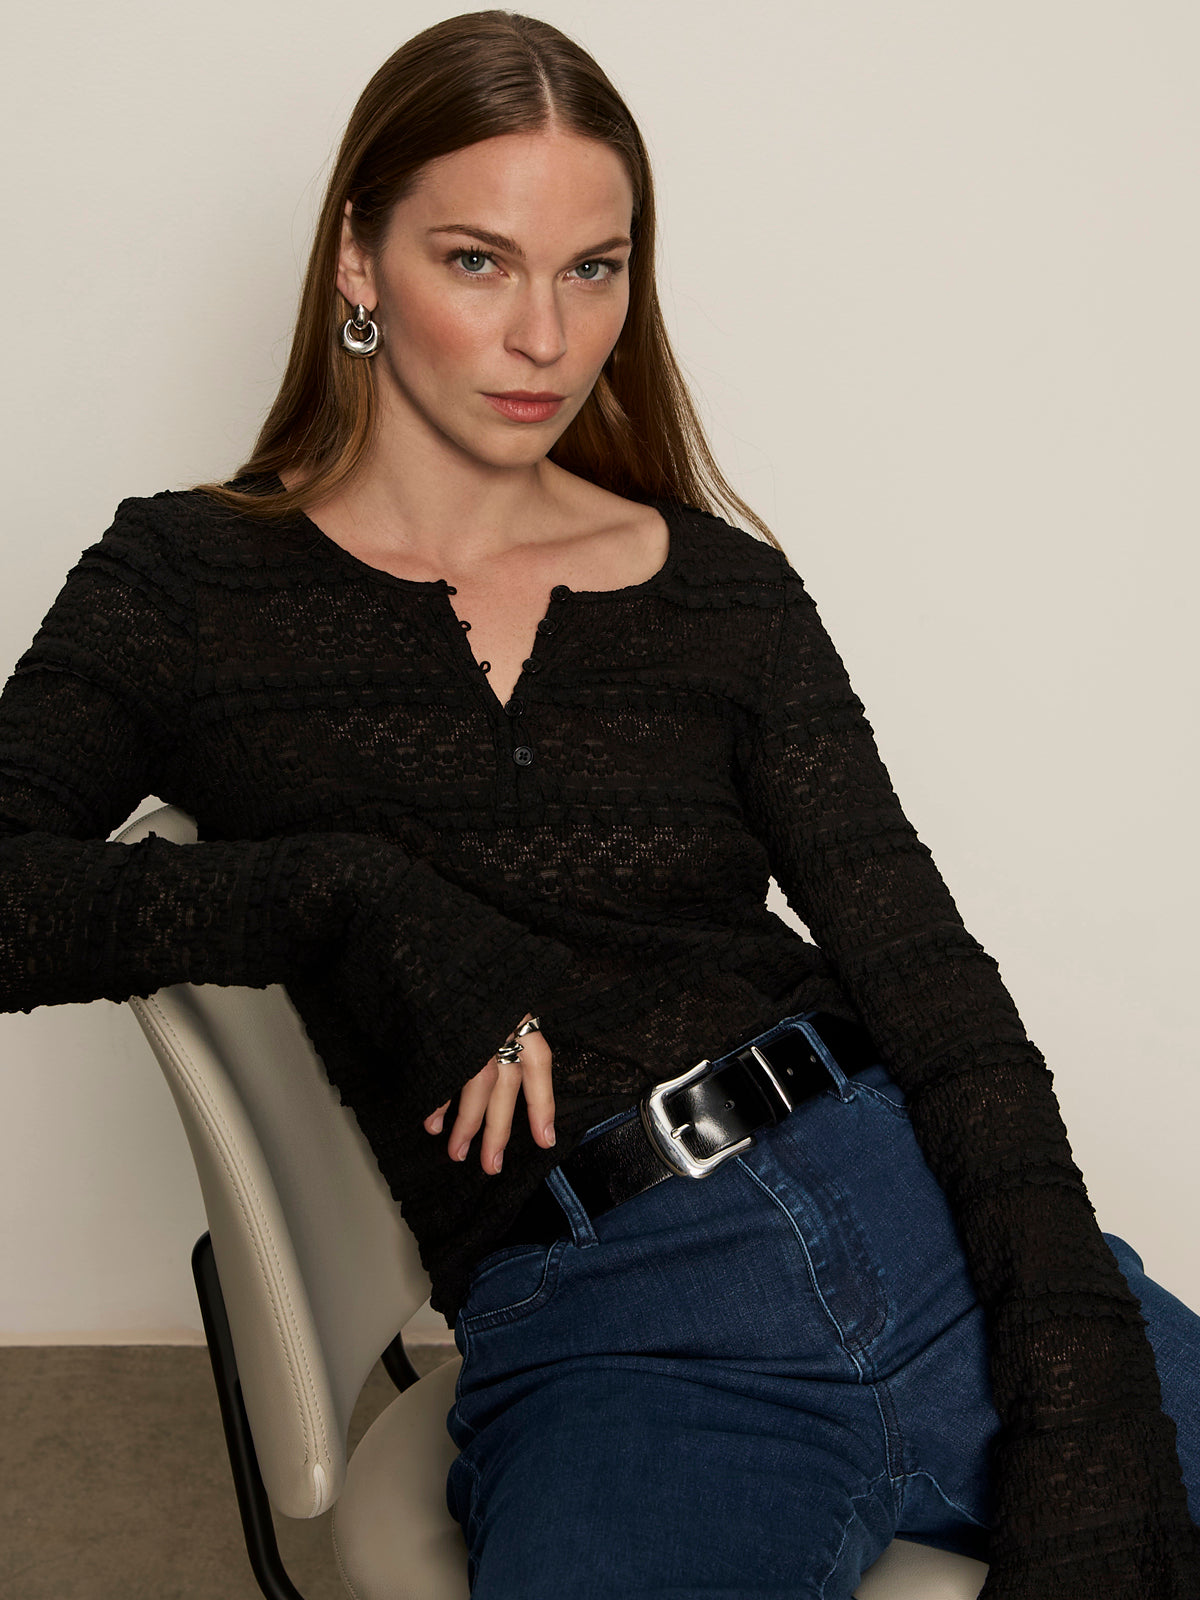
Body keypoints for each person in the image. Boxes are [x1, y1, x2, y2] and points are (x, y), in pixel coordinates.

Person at [0, 10, 1197, 1597]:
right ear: (359, 262)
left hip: (914, 1210)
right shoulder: (184, 584)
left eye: (596, 268)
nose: (549, 342)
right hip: (621, 1313)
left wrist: (1077, 1368)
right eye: (478, 261)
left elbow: (936, 988)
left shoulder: (721, 593)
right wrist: (353, 896)